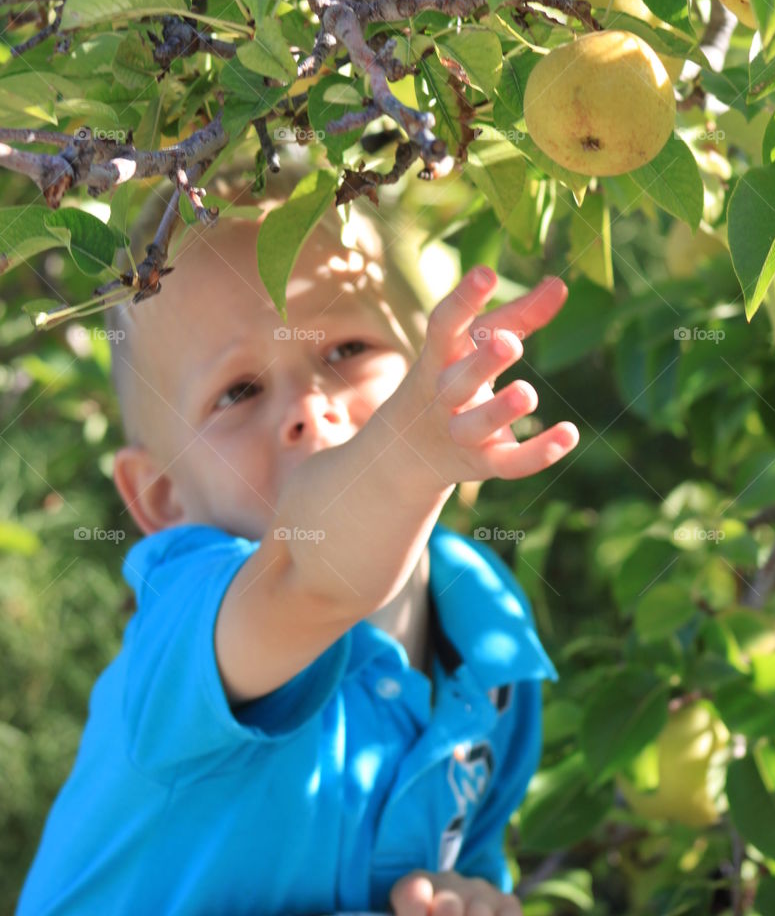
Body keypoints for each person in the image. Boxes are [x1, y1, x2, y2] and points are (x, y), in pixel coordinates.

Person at [15, 152, 579, 916]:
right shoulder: (189, 625)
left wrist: (469, 899)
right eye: (238, 391)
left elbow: (467, 853)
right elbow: (312, 576)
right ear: (162, 496)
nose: (310, 405)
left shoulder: (491, 652)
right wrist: (404, 453)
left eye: (346, 350)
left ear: (432, 368)